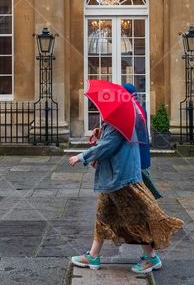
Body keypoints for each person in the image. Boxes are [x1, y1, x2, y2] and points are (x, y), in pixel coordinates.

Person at [68, 113, 183, 275]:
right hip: (113, 177)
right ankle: (93, 255)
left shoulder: (117, 120)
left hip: (122, 177)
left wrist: (81, 156)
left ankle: (151, 257)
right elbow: (113, 140)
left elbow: (107, 146)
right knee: (103, 214)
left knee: (136, 217)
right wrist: (101, 132)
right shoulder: (114, 121)